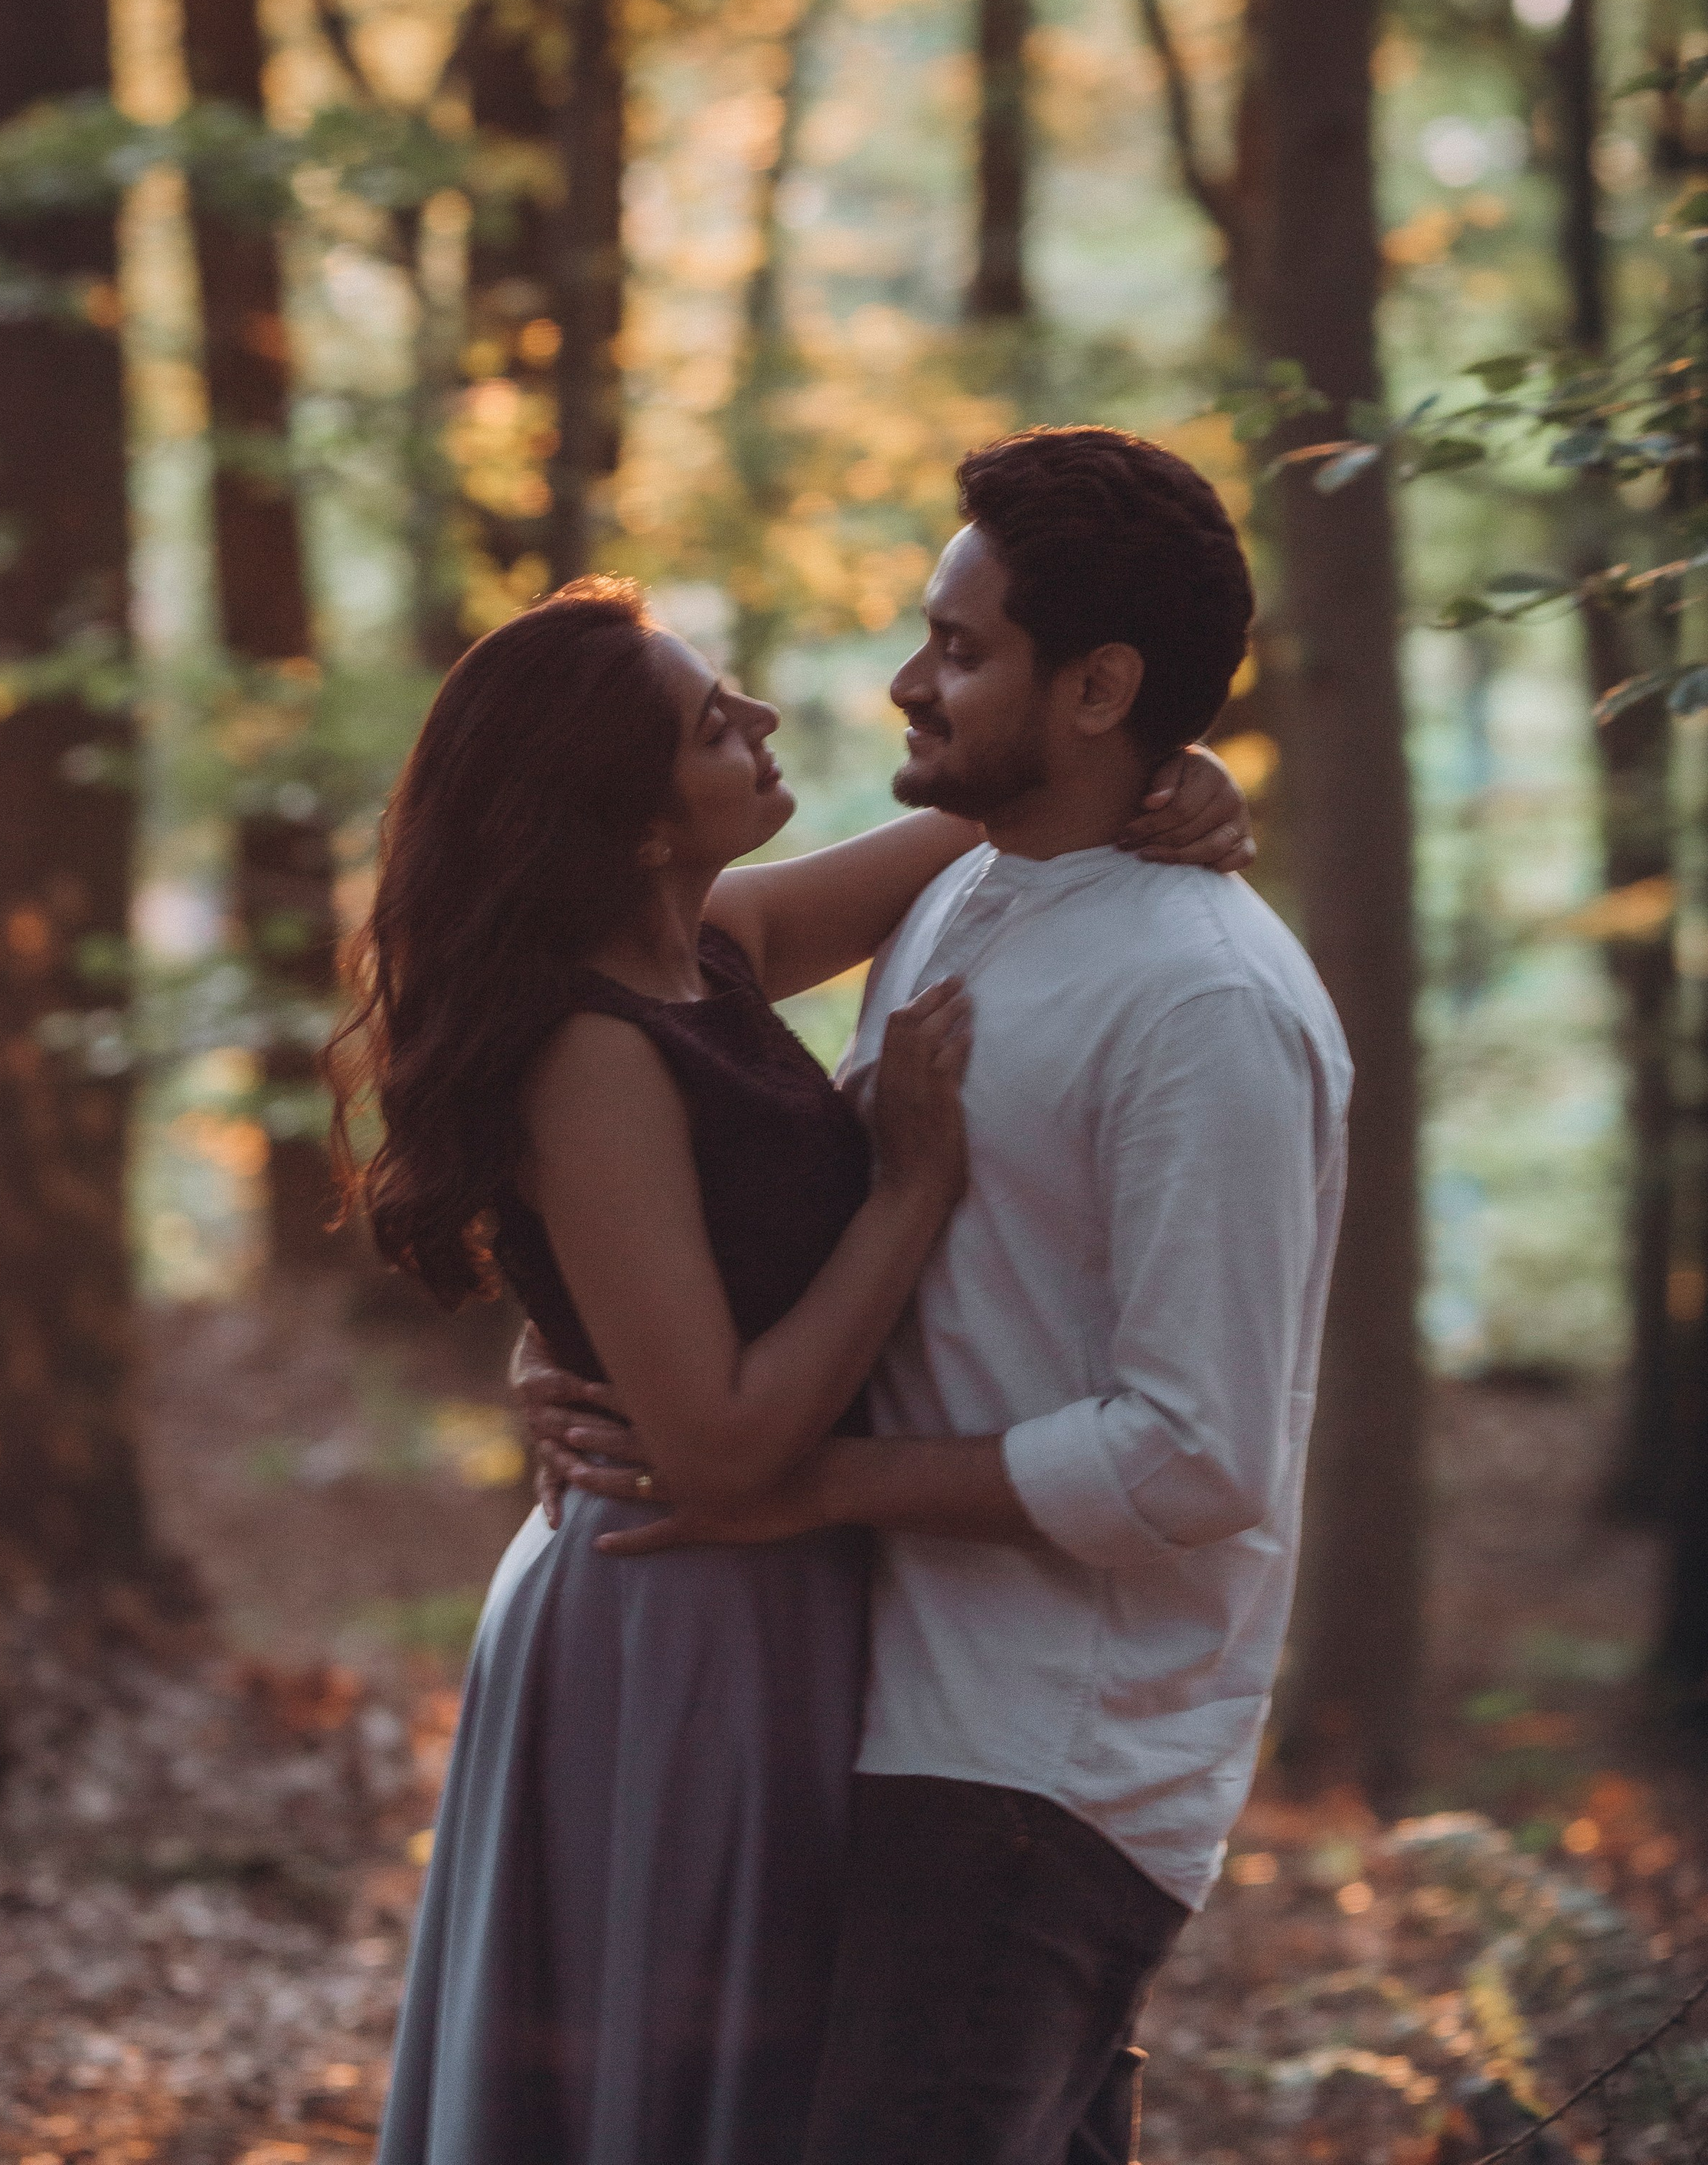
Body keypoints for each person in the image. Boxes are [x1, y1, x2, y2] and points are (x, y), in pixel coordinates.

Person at [330, 535, 1251, 2165]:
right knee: (683, 2094)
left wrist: (1174, 776)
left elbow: (998, 809)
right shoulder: (586, 1052)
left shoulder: (708, 952)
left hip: (778, 1606)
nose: (759, 713)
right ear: (623, 820)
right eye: (708, 723)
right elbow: (728, 1452)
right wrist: (907, 1183)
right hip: (675, 1615)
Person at [540, 425, 1353, 2165]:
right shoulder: (970, 892)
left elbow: (1194, 1459)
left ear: (1096, 688)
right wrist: (573, 1336)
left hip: (1037, 1769)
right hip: (880, 1706)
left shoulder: (1206, 1004)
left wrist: (795, 1484)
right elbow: (671, 1086)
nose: (907, 681)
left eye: (961, 648)